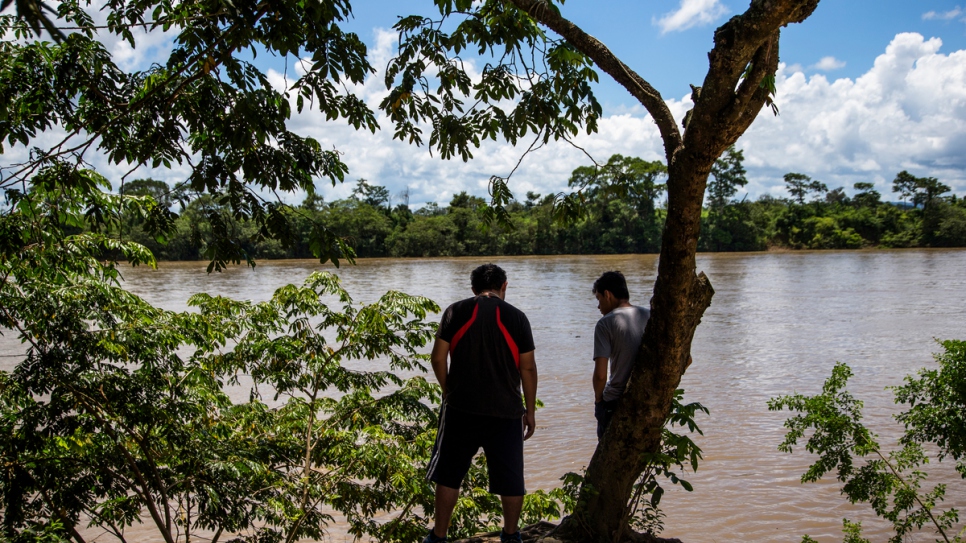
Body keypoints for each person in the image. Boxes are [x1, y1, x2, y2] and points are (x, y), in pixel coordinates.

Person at [424, 264, 538, 543]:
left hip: (461, 408)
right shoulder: (518, 318)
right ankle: (511, 535)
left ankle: (438, 537)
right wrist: (530, 411)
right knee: (511, 478)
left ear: (473, 288)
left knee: (449, 475)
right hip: (506, 411)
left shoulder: (455, 311)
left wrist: (448, 390)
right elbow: (528, 369)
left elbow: (438, 359)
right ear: (505, 286)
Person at [591, 270, 650, 440]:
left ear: (607, 295)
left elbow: (601, 375)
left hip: (615, 401)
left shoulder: (605, 323)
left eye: (599, 299)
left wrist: (598, 401)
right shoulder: (649, 315)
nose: (598, 306)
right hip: (646, 398)